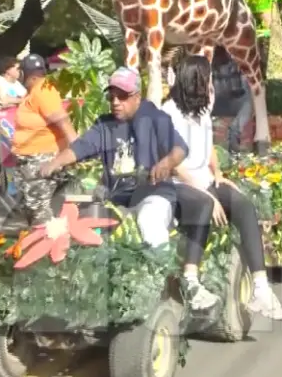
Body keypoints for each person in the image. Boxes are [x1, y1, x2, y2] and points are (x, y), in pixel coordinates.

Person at [39, 67, 215, 292]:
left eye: (122, 96)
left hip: (154, 194)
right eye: (111, 96)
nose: (115, 102)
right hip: (116, 199)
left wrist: (166, 163)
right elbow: (80, 147)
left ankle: (161, 280)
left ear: (136, 97)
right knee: (77, 225)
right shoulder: (104, 124)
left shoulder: (155, 118)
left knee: (148, 221)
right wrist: (54, 163)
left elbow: (180, 149)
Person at [157, 55, 282, 319]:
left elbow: (208, 149)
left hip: (203, 180)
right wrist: (204, 192)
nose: (211, 83)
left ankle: (261, 289)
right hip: (177, 184)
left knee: (243, 205)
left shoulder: (203, 108)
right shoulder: (168, 113)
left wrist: (217, 173)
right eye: (207, 79)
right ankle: (191, 282)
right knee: (204, 204)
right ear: (193, 80)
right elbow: (173, 165)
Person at [11, 54, 79, 225]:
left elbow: (63, 121)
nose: (20, 77)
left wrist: (78, 150)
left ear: (30, 76)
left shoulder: (43, 90)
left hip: (42, 160)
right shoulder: (34, 92)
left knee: (40, 214)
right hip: (31, 161)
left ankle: (47, 246)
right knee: (33, 210)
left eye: (22, 74)